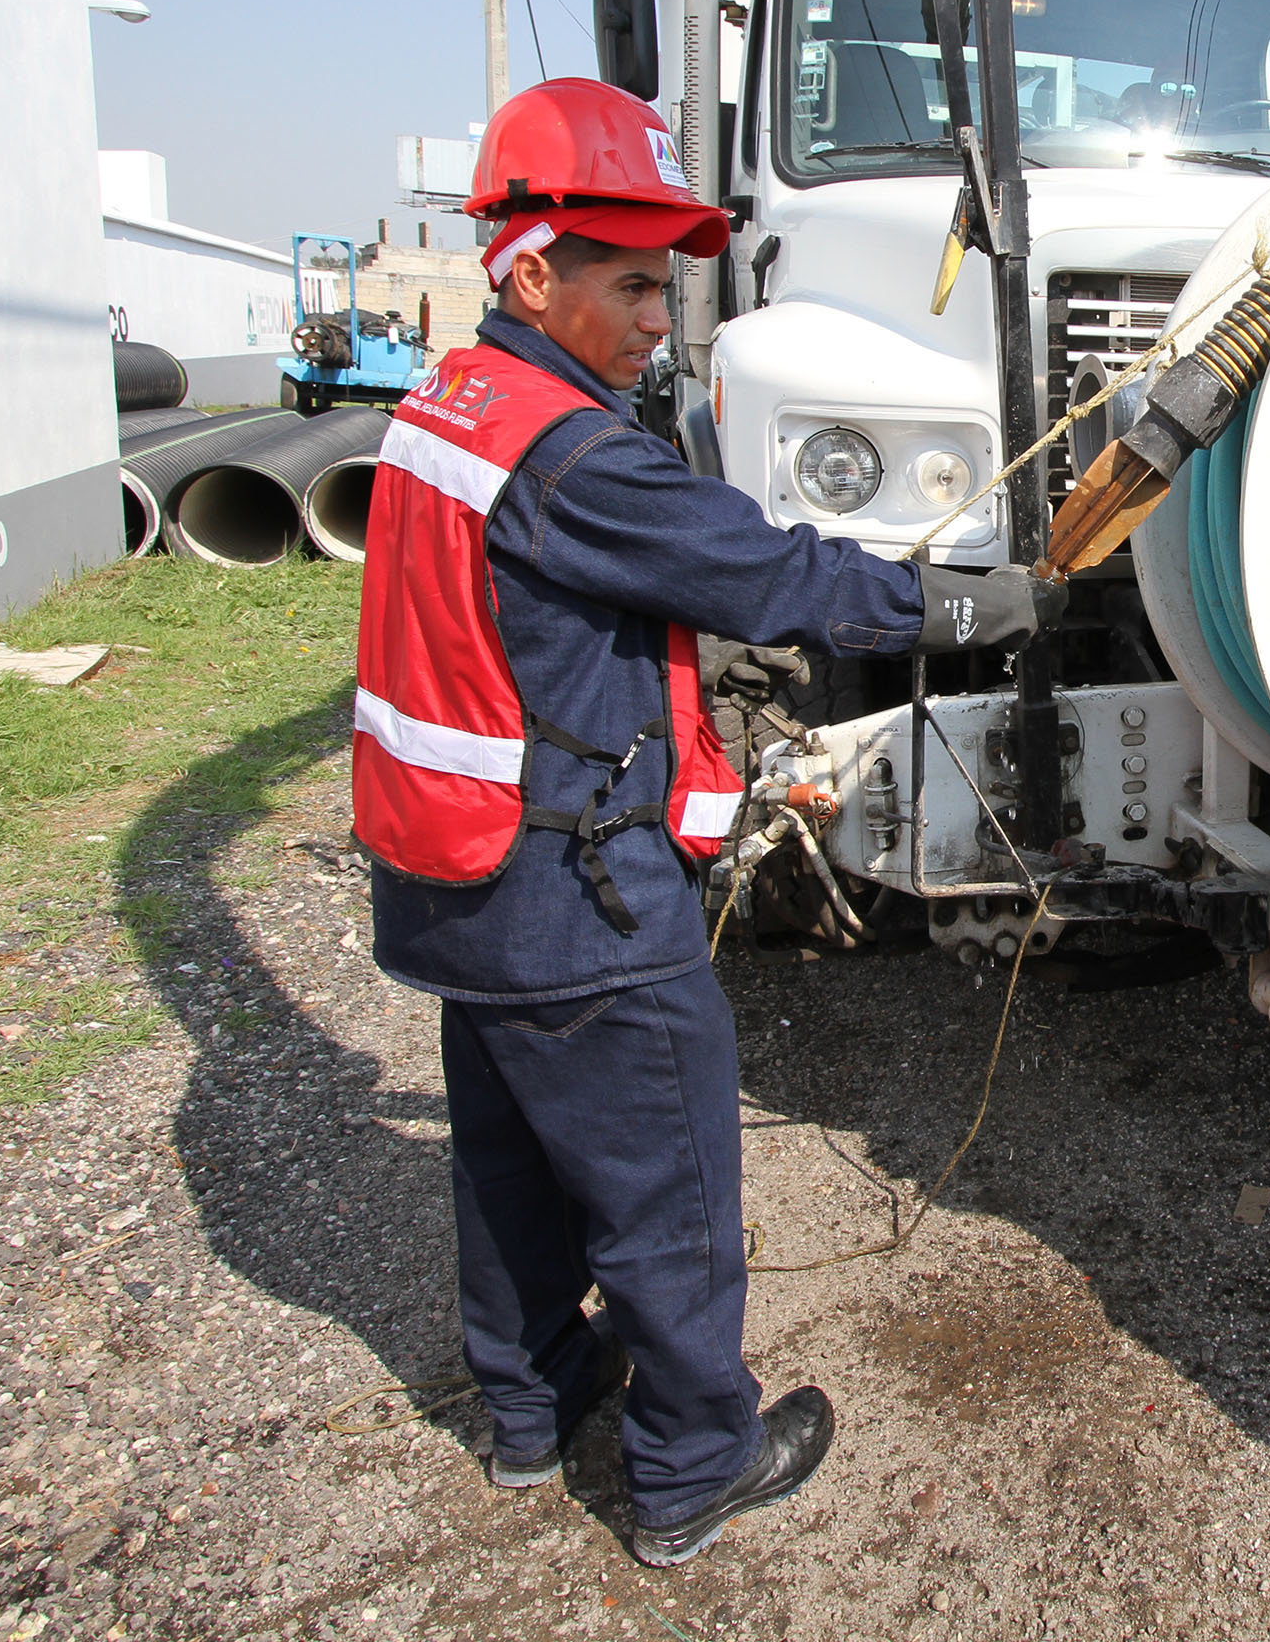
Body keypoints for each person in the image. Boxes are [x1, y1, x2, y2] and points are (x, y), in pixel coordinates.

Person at [354, 78, 1059, 1567]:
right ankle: (691, 1464)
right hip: (576, 892)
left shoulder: (449, 405)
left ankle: (533, 1406)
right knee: (664, 1182)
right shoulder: (571, 454)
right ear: (529, 275)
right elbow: (763, 571)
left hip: (456, 872)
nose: (658, 318)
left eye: (663, 284)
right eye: (628, 285)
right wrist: (954, 607)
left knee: (510, 1164)